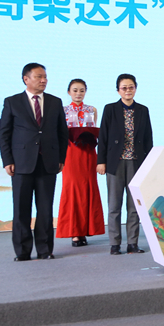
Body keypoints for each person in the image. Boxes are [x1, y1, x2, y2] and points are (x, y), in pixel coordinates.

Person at [0, 63, 68, 261]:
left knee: (45, 209)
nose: (43, 80)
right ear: (26, 79)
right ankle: (22, 251)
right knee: (21, 209)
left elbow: (62, 133)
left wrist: (60, 158)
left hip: (48, 163)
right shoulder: (12, 102)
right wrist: (7, 160)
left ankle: (45, 250)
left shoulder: (55, 102)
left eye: (45, 77)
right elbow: (4, 133)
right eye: (39, 77)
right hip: (21, 164)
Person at [97, 74, 153, 255]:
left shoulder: (143, 110)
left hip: (136, 162)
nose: (128, 90)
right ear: (118, 90)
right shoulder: (110, 109)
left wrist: (149, 164)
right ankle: (114, 244)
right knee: (114, 205)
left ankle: (132, 243)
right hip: (115, 162)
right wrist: (101, 161)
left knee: (134, 205)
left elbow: (148, 139)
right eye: (124, 88)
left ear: (135, 88)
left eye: (131, 87)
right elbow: (103, 137)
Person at [56, 79, 104, 248]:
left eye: (82, 90)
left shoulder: (92, 109)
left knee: (88, 188)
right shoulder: (62, 110)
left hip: (88, 153)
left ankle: (86, 229)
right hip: (70, 153)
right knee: (72, 190)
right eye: (75, 90)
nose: (78, 93)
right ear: (69, 92)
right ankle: (75, 232)